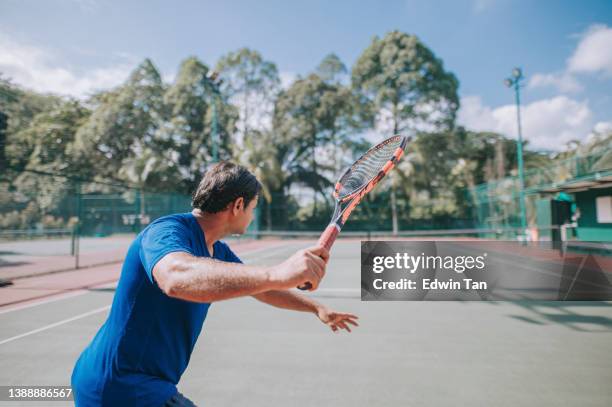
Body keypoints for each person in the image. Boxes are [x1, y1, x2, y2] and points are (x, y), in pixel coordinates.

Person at [71, 161, 359, 407]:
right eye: (253, 207)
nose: (253, 214)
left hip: (136, 385)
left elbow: (263, 288)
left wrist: (316, 308)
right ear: (237, 206)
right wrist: (279, 271)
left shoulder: (215, 248)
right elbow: (176, 277)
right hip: (122, 386)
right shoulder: (166, 231)